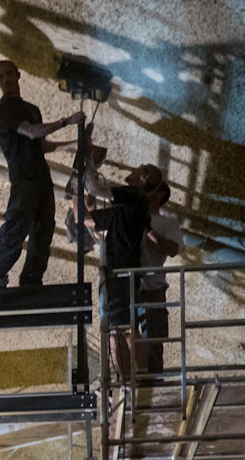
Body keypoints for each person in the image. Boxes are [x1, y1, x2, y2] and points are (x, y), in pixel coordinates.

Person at [0, 59, 84, 289]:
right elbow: (31, 132)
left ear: (18, 75)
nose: (7, 79)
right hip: (24, 178)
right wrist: (66, 121)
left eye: (9, 73)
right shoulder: (3, 110)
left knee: (44, 228)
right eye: (1, 76)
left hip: (41, 178)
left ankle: (31, 279)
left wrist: (75, 143)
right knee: (18, 225)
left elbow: (42, 145)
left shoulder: (31, 109)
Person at [78, 168, 154, 389]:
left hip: (122, 270)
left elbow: (95, 188)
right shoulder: (124, 209)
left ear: (144, 179)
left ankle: (136, 376)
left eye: (138, 170)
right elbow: (85, 218)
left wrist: (86, 166)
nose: (131, 171)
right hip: (116, 272)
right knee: (117, 329)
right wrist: (77, 191)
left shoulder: (135, 195)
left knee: (124, 327)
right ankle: (127, 378)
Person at [134, 166, 181, 375]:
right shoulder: (130, 216)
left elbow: (172, 249)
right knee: (128, 338)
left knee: (154, 341)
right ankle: (133, 382)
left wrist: (149, 231)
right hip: (131, 284)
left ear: (161, 194)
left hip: (153, 287)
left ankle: (153, 384)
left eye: (154, 187)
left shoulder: (167, 222)